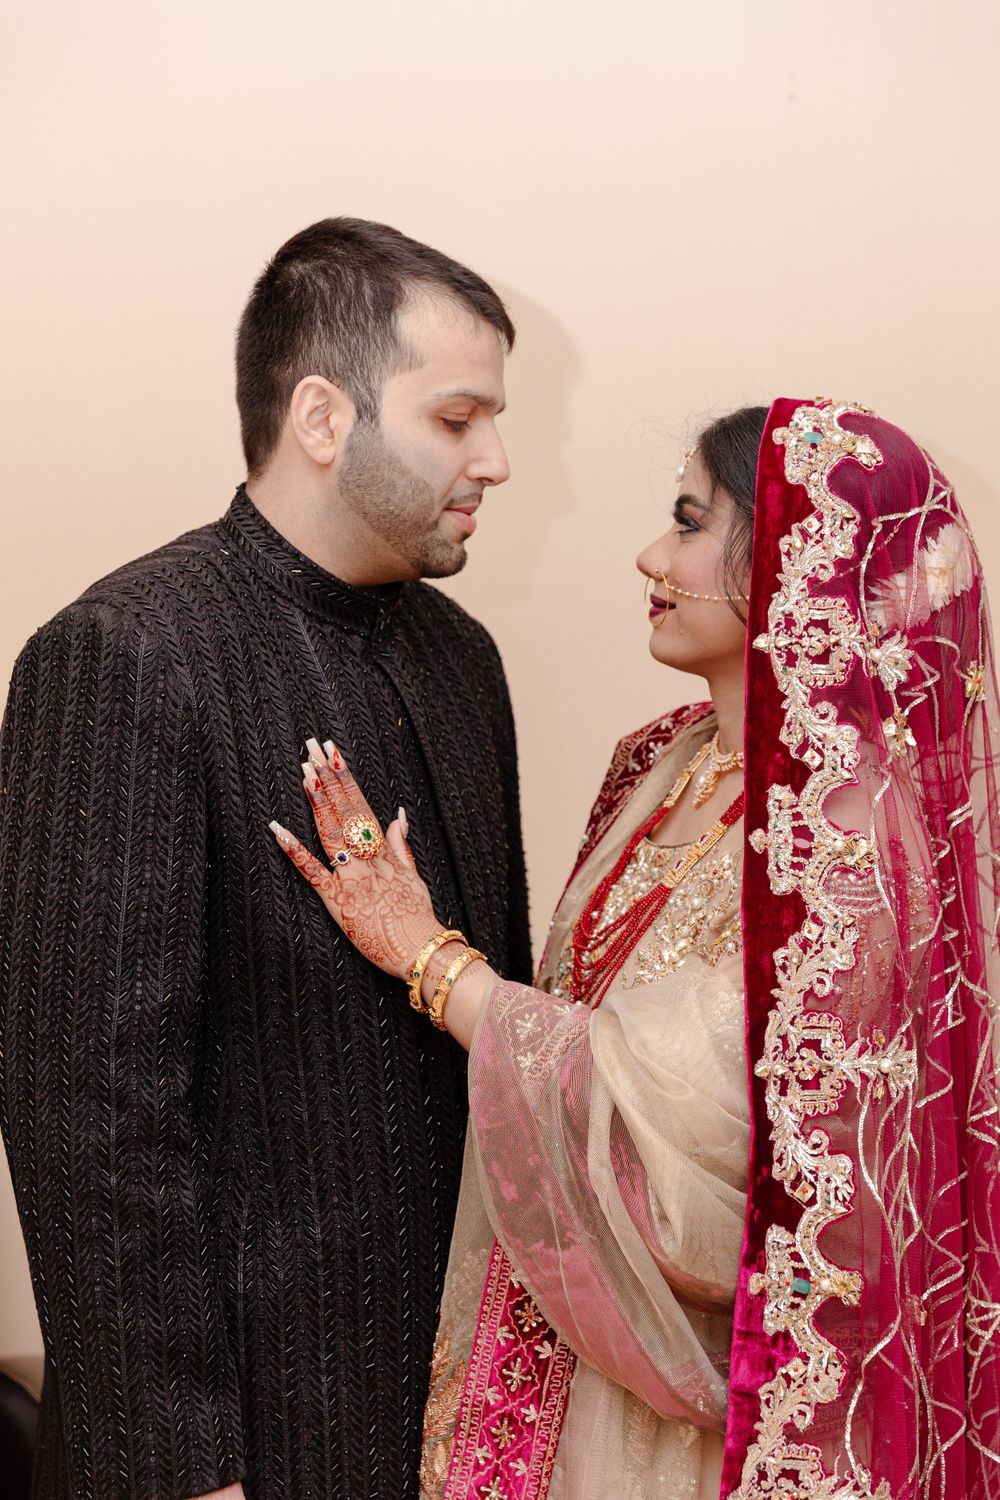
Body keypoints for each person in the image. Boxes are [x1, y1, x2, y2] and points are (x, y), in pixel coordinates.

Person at [272, 398, 1000, 1499]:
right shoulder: (663, 760)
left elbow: (706, 1121)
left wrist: (425, 956)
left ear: (799, 561)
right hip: (559, 1331)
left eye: (689, 522)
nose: (651, 556)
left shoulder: (850, 835)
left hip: (694, 1406)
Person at [0, 218, 533, 1500]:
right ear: (322, 415)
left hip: (459, 1418)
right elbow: (88, 1117)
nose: (497, 461)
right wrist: (180, 1466)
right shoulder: (126, 653)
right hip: (242, 1439)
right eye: (457, 417)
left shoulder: (462, 659)